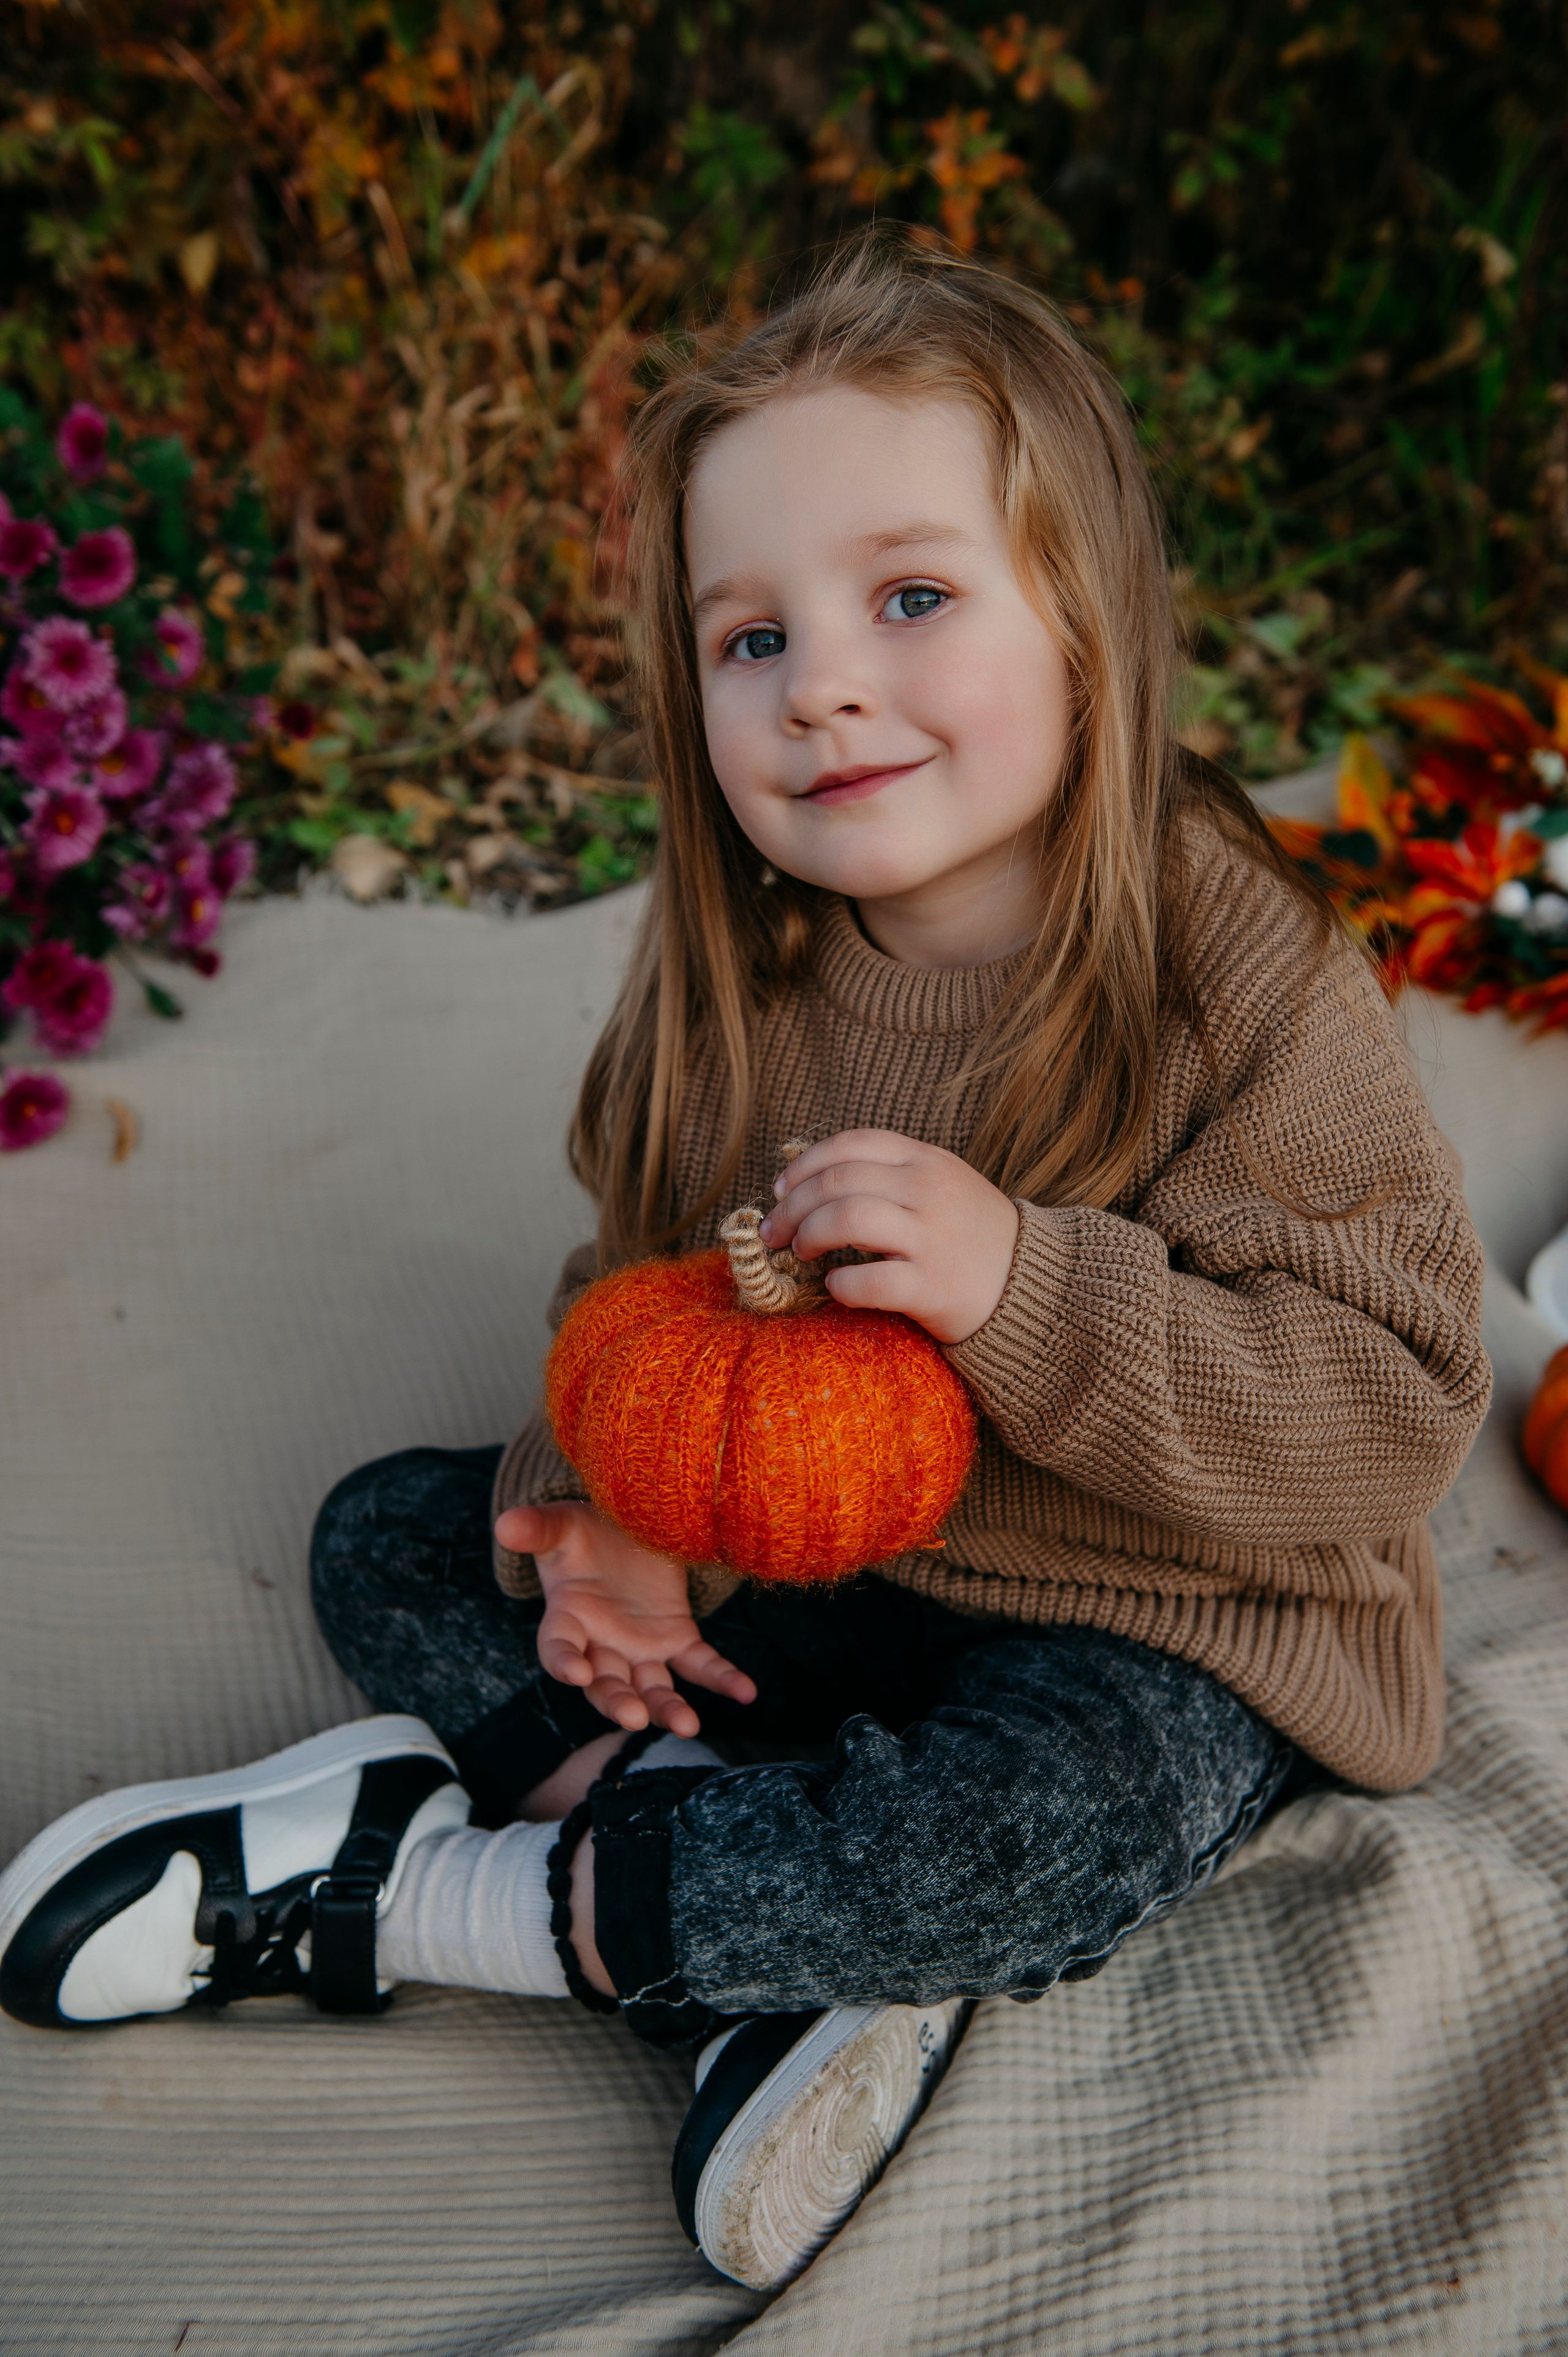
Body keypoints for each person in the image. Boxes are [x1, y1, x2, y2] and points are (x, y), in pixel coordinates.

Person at [0, 236, 1491, 2295]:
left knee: (1026, 1832)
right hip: (830, 1572)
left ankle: (432, 1898)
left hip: (1168, 1622)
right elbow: (641, 1289)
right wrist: (607, 1505)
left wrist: (1021, 1291)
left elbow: (1388, 1422)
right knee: (404, 1540)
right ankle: (751, 1951)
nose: (826, 685)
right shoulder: (740, 983)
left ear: (1086, 614)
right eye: (748, 637)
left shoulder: (1238, 974)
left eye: (910, 597)